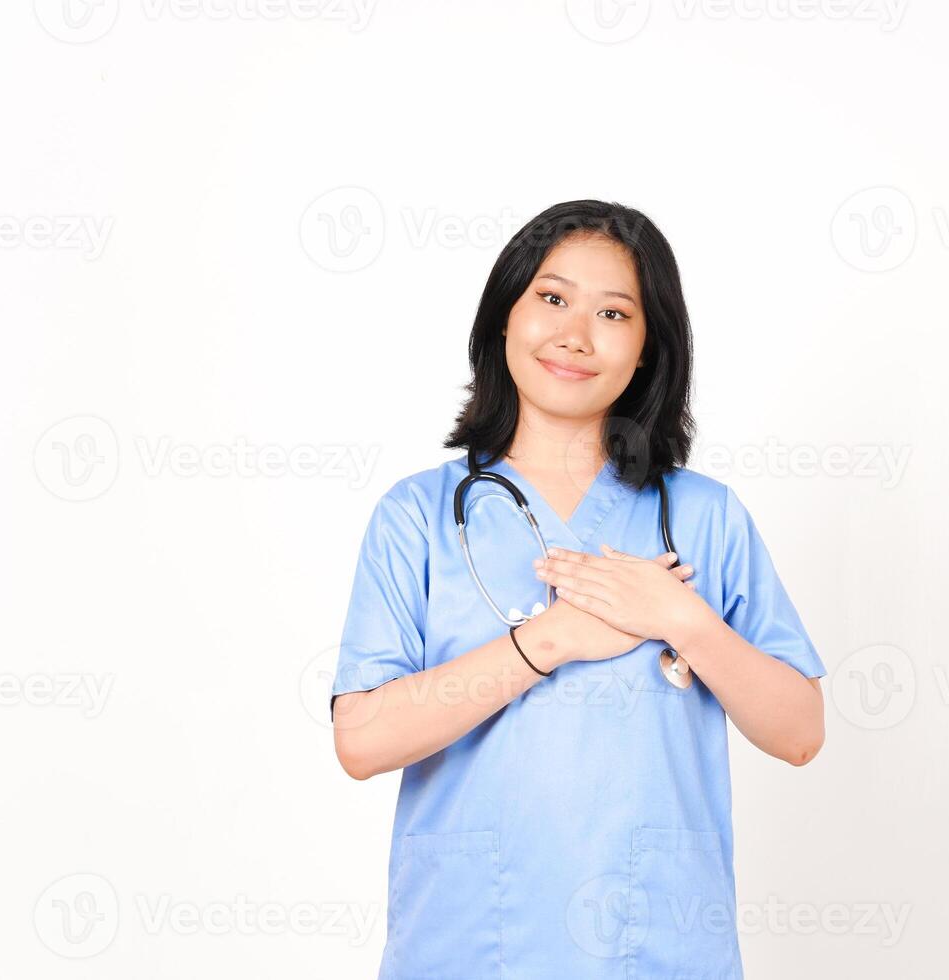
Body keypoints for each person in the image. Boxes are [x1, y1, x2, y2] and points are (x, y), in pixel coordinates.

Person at [330, 199, 827, 979]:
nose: (575, 334)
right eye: (552, 298)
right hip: (467, 942)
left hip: (657, 946)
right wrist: (551, 640)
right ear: (505, 316)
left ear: (647, 348)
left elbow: (800, 731)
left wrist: (683, 620)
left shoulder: (704, 516)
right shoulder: (417, 516)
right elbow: (361, 741)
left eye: (614, 312)